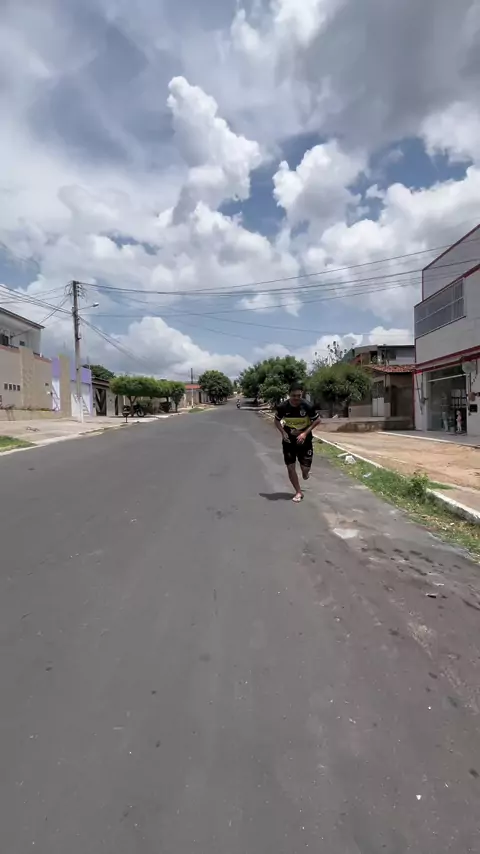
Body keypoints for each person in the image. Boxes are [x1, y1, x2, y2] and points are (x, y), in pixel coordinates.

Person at [274, 384, 321, 502]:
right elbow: (276, 421)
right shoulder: (283, 407)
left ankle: (305, 473)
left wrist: (304, 433)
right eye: (293, 395)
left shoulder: (307, 406)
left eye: (299, 395)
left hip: (305, 440)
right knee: (290, 467)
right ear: (289, 395)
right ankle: (298, 492)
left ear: (302, 394)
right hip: (289, 441)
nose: (296, 398)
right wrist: (283, 433)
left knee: (305, 469)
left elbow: (317, 420)